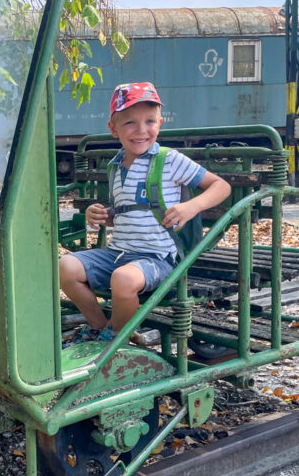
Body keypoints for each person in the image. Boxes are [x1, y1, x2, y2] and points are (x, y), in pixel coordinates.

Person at [59, 81, 231, 342]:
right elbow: (123, 213)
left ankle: (116, 337)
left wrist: (191, 206)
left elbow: (221, 186)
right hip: (118, 253)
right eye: (130, 123)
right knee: (66, 266)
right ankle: (98, 326)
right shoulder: (116, 167)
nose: (141, 130)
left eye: (149, 121)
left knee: (124, 279)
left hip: (158, 258)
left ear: (159, 123)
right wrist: (103, 214)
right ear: (113, 129)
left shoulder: (169, 160)